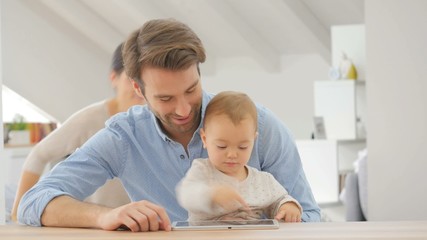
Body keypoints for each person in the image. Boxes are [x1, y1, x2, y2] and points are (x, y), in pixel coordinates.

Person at [18, 18, 320, 232]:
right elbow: (33, 202)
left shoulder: (260, 126)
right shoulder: (124, 137)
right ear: (138, 90)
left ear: (199, 72)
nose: (183, 109)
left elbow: (309, 215)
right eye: (165, 98)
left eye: (191, 90)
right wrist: (103, 216)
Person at [11, 42, 145, 221]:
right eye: (131, 79)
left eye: (144, 80)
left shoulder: (157, 119)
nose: (139, 87)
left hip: (141, 223)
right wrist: (18, 212)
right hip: (98, 223)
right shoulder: (90, 119)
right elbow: (39, 154)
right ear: (114, 78)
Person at [176, 91, 302, 222]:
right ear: (204, 139)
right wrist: (212, 195)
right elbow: (186, 194)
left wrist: (288, 206)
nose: (232, 154)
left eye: (242, 147)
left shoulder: (262, 180)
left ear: (253, 140)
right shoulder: (202, 170)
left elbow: (280, 198)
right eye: (221, 146)